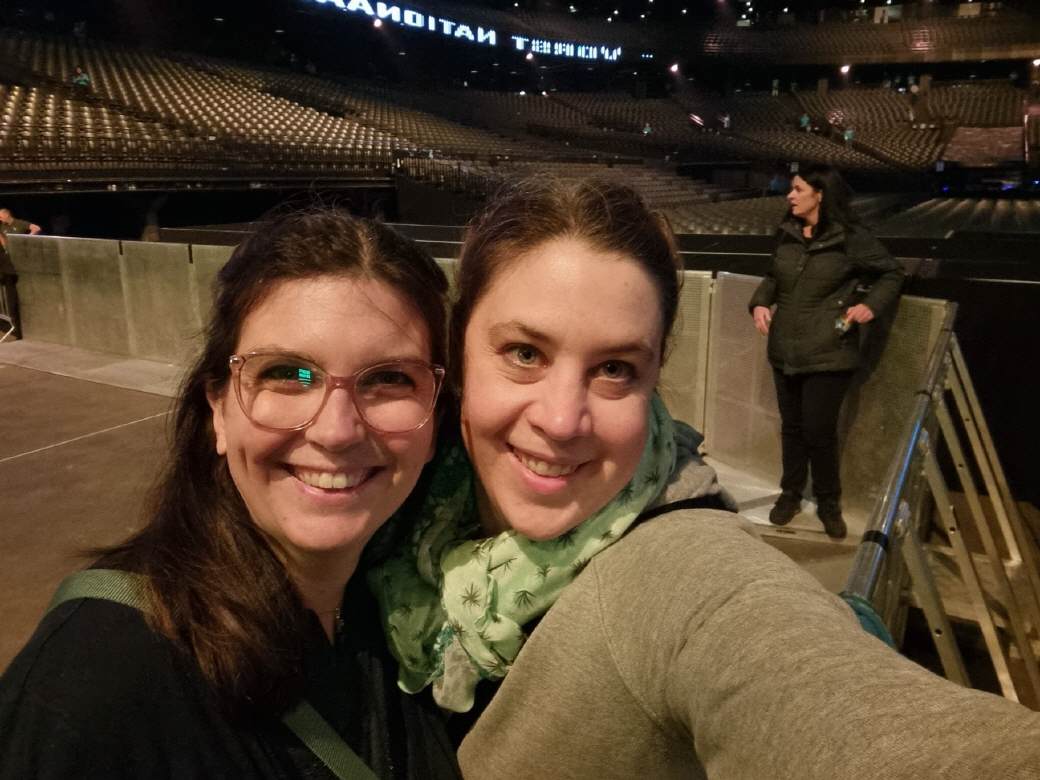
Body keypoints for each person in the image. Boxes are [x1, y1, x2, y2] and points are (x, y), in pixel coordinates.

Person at [372, 177, 1040, 778]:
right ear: (458, 353)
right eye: (524, 353)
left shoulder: (681, 567)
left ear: (656, 373)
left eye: (615, 369)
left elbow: (818, 689)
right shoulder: (395, 492)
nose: (562, 419)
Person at [0, 209, 461, 779]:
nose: (336, 430)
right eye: (288, 374)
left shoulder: (409, 607)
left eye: (389, 378)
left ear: (437, 418)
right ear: (218, 409)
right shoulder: (97, 680)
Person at [749, 164, 904, 538]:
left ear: (820, 195)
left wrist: (871, 306)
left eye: (798, 189)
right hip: (784, 349)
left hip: (829, 351)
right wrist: (760, 302)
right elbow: (773, 277)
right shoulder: (787, 234)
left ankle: (828, 502)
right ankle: (789, 495)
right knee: (793, 429)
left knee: (819, 431)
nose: (790, 196)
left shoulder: (850, 237)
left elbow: (892, 273)